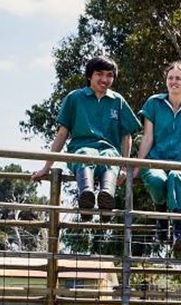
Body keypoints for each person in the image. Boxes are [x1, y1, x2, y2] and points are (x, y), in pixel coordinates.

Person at [31, 56, 142, 220]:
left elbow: (127, 135)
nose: (104, 79)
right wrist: (46, 167)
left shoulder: (117, 101)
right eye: (100, 74)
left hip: (108, 151)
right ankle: (86, 198)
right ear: (90, 75)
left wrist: (124, 167)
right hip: (81, 148)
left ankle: (107, 199)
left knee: (110, 159)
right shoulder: (75, 98)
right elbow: (62, 134)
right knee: (84, 155)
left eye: (109, 75)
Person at [134, 61, 181, 253]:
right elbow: (148, 137)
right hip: (156, 160)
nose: (173, 82)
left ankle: (178, 232)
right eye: (170, 78)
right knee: (157, 179)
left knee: (177, 176)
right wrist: (136, 166)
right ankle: (161, 218)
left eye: (178, 78)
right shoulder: (154, 103)